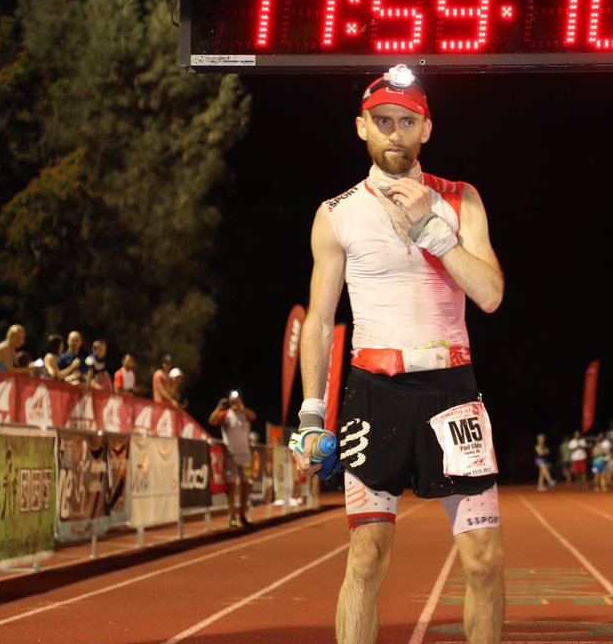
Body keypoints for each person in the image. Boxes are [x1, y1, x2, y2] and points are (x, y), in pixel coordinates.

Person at [289, 65, 505, 644]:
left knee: (483, 561)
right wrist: (312, 414)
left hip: (451, 394)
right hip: (373, 394)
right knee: (365, 556)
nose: (394, 133)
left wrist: (433, 230)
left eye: (407, 122)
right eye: (382, 121)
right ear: (362, 127)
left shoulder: (461, 199)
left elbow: (489, 294)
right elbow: (319, 320)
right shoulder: (336, 214)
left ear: (425, 130)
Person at [209, 391, 256, 528]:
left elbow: (253, 416)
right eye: (232, 401)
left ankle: (242, 513)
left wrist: (241, 408)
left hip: (245, 455)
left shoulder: (244, 414)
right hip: (231, 455)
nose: (234, 403)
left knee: (246, 485)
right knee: (232, 486)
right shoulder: (225, 415)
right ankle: (231, 515)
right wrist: (219, 408)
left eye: (236, 400)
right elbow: (212, 421)